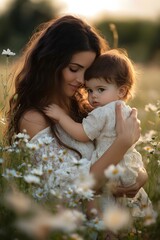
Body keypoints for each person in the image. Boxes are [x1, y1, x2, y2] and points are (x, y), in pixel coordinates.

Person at [7, 15, 147, 238]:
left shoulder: (87, 107)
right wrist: (121, 143)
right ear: (51, 62)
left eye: (88, 71)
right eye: (74, 68)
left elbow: (125, 157)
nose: (82, 80)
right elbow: (75, 189)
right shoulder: (34, 119)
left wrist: (139, 177)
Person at [44, 49, 152, 220]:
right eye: (90, 90)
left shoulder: (103, 112)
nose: (93, 96)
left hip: (111, 168)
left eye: (100, 89)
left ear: (122, 91)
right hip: (130, 168)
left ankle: (101, 226)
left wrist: (61, 117)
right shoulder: (126, 110)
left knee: (99, 202)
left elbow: (82, 133)